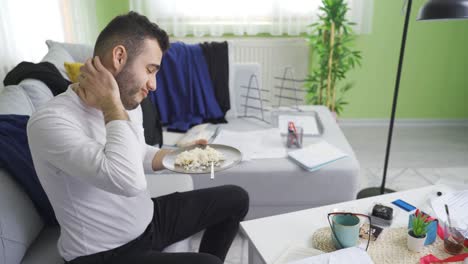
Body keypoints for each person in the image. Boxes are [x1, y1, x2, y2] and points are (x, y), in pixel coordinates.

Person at [27, 11, 249, 264]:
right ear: (119, 56)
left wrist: (182, 156)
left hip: (147, 221)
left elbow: (138, 152)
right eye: (150, 69)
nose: (153, 84)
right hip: (104, 253)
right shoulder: (51, 122)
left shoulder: (127, 104)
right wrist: (111, 104)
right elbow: (128, 181)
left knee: (236, 198)